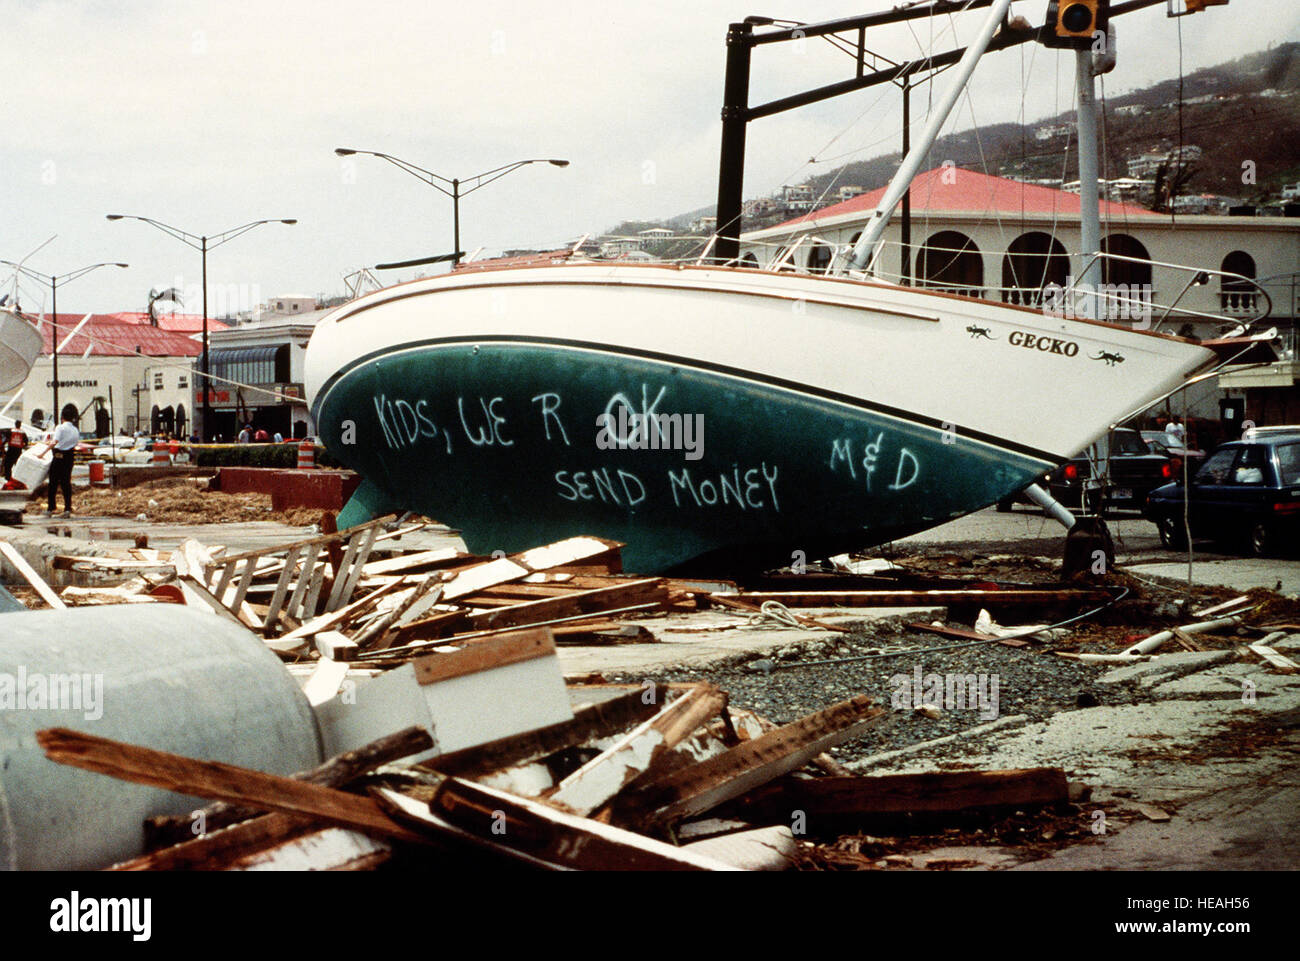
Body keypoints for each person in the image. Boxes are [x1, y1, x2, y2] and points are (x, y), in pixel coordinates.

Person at [47, 409, 80, 517]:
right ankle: (67, 508)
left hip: (58, 456)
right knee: (66, 482)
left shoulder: (60, 428)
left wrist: (42, 453)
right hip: (69, 457)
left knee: (53, 482)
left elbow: (55, 442)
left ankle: (51, 507)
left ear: (62, 418)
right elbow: (75, 443)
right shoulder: (75, 430)